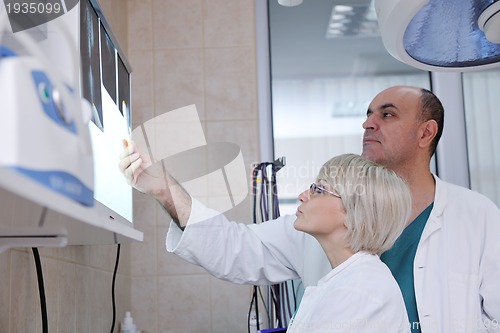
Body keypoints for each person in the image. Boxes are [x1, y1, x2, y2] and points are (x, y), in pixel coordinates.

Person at [119, 86, 500, 333]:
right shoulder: (320, 226)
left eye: (387, 114)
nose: (368, 123)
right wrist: (164, 189)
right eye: (368, 113)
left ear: (425, 133)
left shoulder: (478, 216)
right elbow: (235, 246)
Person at [287, 153, 411, 333]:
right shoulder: (351, 280)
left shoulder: (360, 289)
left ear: (354, 214)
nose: (302, 196)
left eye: (320, 190)